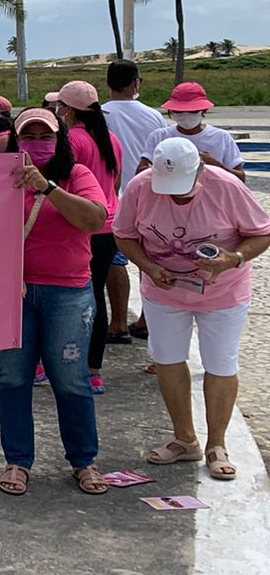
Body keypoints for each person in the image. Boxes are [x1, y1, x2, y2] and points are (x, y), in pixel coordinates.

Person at [115, 138, 270, 482]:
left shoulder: (226, 186)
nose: (175, 196)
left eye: (183, 189)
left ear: (201, 171)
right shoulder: (142, 188)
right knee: (167, 360)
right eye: (169, 189)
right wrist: (149, 267)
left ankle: (217, 443)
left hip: (223, 291)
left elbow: (262, 233)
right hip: (164, 290)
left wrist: (235, 258)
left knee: (220, 362)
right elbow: (123, 235)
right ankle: (185, 438)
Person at [0, 107, 110, 497]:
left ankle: (83, 460)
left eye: (46, 137)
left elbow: (94, 220)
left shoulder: (77, 176)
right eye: (29, 137)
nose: (38, 144)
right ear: (15, 140)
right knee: (12, 378)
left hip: (68, 292)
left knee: (70, 379)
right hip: (13, 293)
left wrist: (48, 188)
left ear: (59, 141)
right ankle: (17, 460)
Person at [48, 81, 123, 394]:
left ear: (67, 110)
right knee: (96, 297)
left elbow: (60, 184)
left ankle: (59, 363)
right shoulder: (111, 139)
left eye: (59, 107)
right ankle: (94, 370)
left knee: (70, 299)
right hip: (109, 225)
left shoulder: (72, 139)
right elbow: (115, 182)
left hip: (82, 228)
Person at [100, 60, 166, 344]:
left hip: (113, 195)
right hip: (149, 194)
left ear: (107, 83)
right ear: (136, 83)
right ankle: (146, 319)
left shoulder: (100, 113)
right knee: (147, 259)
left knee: (115, 260)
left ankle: (117, 323)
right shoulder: (153, 115)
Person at [138, 81, 246, 183]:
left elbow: (240, 178)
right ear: (170, 112)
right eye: (179, 111)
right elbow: (140, 173)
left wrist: (216, 165)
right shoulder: (159, 136)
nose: (186, 116)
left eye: (193, 111)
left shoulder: (221, 137)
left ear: (204, 110)